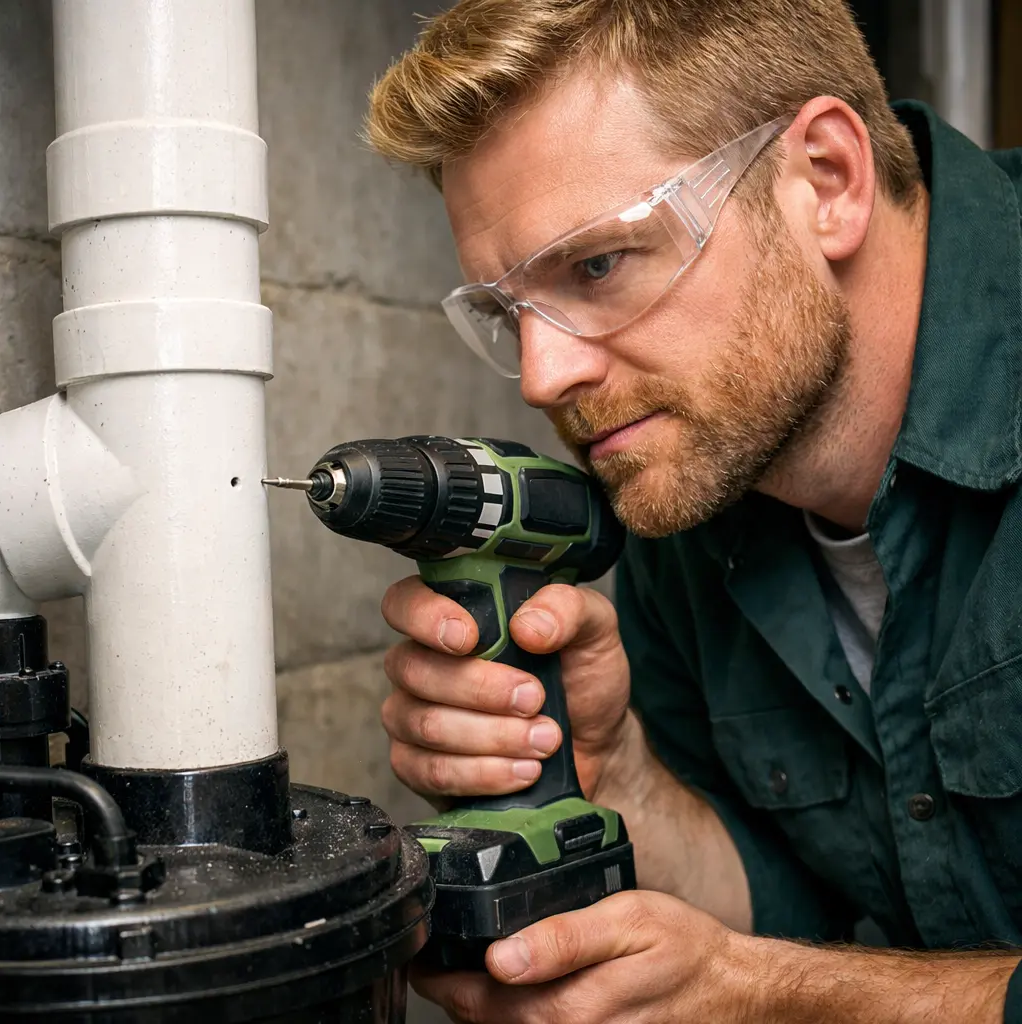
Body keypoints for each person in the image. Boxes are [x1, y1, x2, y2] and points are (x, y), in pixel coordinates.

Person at [363, 1, 1022, 1020]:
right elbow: (791, 895)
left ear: (827, 182)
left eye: (596, 265)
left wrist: (758, 996)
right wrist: (620, 775)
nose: (544, 378)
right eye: (506, 311)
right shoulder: (693, 476)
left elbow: (764, 969)